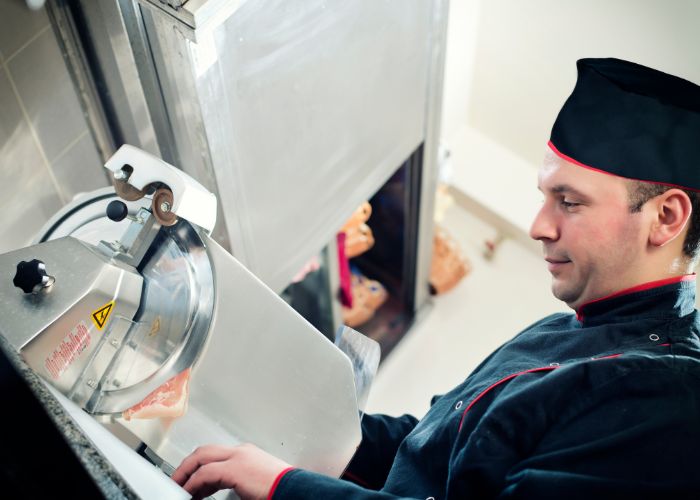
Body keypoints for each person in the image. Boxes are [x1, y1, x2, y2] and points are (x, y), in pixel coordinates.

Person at [172, 58, 700, 499]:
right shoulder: (559, 331)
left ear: (667, 218)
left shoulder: (671, 400)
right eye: (545, 198)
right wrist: (277, 398)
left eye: (569, 202)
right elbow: (427, 447)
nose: (539, 226)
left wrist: (285, 486)